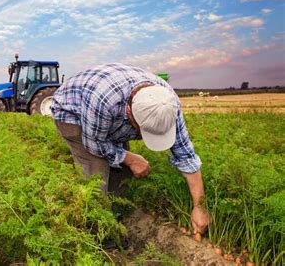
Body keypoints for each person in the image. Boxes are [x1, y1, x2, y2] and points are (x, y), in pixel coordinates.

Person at [51, 63, 209, 234]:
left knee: (121, 170)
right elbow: (94, 144)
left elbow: (187, 157)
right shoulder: (104, 101)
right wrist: (131, 158)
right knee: (96, 173)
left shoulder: (168, 104)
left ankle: (117, 218)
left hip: (108, 115)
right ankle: (97, 230)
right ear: (129, 112)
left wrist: (200, 206)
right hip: (73, 113)